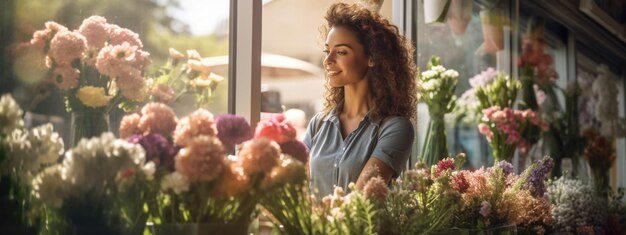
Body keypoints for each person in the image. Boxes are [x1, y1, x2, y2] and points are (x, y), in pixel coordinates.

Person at [303, 2, 418, 197]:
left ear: (371, 58)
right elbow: (297, 189)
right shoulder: (318, 124)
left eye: (341, 52)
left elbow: (360, 200)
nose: (328, 60)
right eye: (327, 50)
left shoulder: (395, 128)